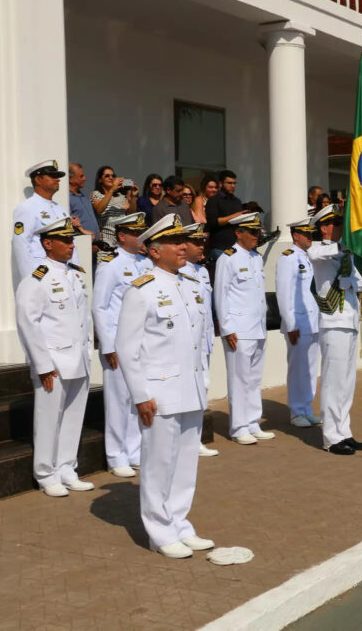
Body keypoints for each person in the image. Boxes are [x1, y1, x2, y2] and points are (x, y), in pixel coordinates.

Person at [116, 214, 214, 559]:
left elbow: (198, 342)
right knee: (158, 464)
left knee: (186, 464)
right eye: (175, 243)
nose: (183, 247)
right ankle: (158, 531)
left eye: (182, 241)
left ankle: (179, 523)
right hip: (159, 392)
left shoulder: (191, 285)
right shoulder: (142, 289)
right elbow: (127, 348)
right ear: (155, 251)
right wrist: (141, 395)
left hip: (190, 388)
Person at [15, 217, 93, 498]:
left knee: (73, 418)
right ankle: (46, 473)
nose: (71, 245)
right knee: (48, 420)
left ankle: (67, 468)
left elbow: (83, 319)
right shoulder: (37, 277)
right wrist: (42, 364)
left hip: (78, 359)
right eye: (65, 240)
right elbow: (27, 322)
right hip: (54, 362)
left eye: (72, 240)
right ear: (48, 243)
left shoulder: (75, 273)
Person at [92, 212, 151, 477]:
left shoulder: (146, 263)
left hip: (142, 342)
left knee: (136, 395)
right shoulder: (111, 265)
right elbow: (100, 307)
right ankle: (116, 455)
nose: (140, 237)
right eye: (136, 232)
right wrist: (107, 345)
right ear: (122, 236)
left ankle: (135, 451)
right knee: (118, 400)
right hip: (117, 342)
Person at [309, 204, 362, 455]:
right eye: (336, 223)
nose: (340, 228)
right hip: (333, 321)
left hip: (351, 320)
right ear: (324, 227)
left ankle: (345, 431)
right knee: (333, 381)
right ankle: (331, 437)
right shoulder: (318, 249)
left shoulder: (347, 254)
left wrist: (353, 280)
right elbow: (317, 256)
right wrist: (348, 246)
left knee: (347, 382)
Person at [214, 212, 273, 444]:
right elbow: (221, 295)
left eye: (258, 231)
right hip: (238, 328)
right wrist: (227, 328)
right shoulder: (228, 258)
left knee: (254, 378)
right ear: (239, 233)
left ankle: (252, 422)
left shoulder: (256, 258)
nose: (257, 235)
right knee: (239, 378)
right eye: (252, 232)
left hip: (257, 326)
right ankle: (238, 427)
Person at [276, 218, 323, 428]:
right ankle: (296, 412)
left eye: (312, 234)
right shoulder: (288, 258)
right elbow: (284, 293)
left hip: (313, 320)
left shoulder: (310, 257)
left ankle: (307, 408)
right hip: (298, 322)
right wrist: (290, 323)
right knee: (298, 369)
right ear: (296, 236)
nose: (310, 237)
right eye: (307, 234)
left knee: (311, 368)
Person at [180, 222, 220, 458]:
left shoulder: (202, 271)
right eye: (195, 242)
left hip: (202, 340)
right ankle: (186, 440)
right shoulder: (179, 271)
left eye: (201, 241)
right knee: (187, 391)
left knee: (201, 389)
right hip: (186, 342)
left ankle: (195, 439)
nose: (200, 246)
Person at [12, 160, 71, 288]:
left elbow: (71, 244)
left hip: (63, 273)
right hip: (42, 274)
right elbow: (21, 244)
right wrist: (32, 278)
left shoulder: (61, 210)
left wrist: (74, 271)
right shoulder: (27, 208)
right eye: (53, 176)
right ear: (38, 180)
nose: (58, 180)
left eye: (58, 177)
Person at [206, 170, 250, 262]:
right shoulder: (214, 200)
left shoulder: (237, 201)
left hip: (237, 247)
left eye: (234, 183)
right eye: (229, 183)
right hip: (220, 248)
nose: (233, 186)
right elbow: (212, 222)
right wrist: (234, 216)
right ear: (221, 184)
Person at [91, 166, 137, 248]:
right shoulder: (96, 194)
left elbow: (131, 213)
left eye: (113, 176)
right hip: (107, 240)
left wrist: (133, 197)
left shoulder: (120, 196)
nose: (111, 178)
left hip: (122, 239)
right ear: (100, 180)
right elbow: (99, 210)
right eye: (107, 176)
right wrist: (111, 190)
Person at [68, 163, 99, 239]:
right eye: (81, 176)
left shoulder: (83, 196)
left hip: (94, 243)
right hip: (82, 244)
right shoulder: (67, 199)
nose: (84, 178)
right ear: (70, 179)